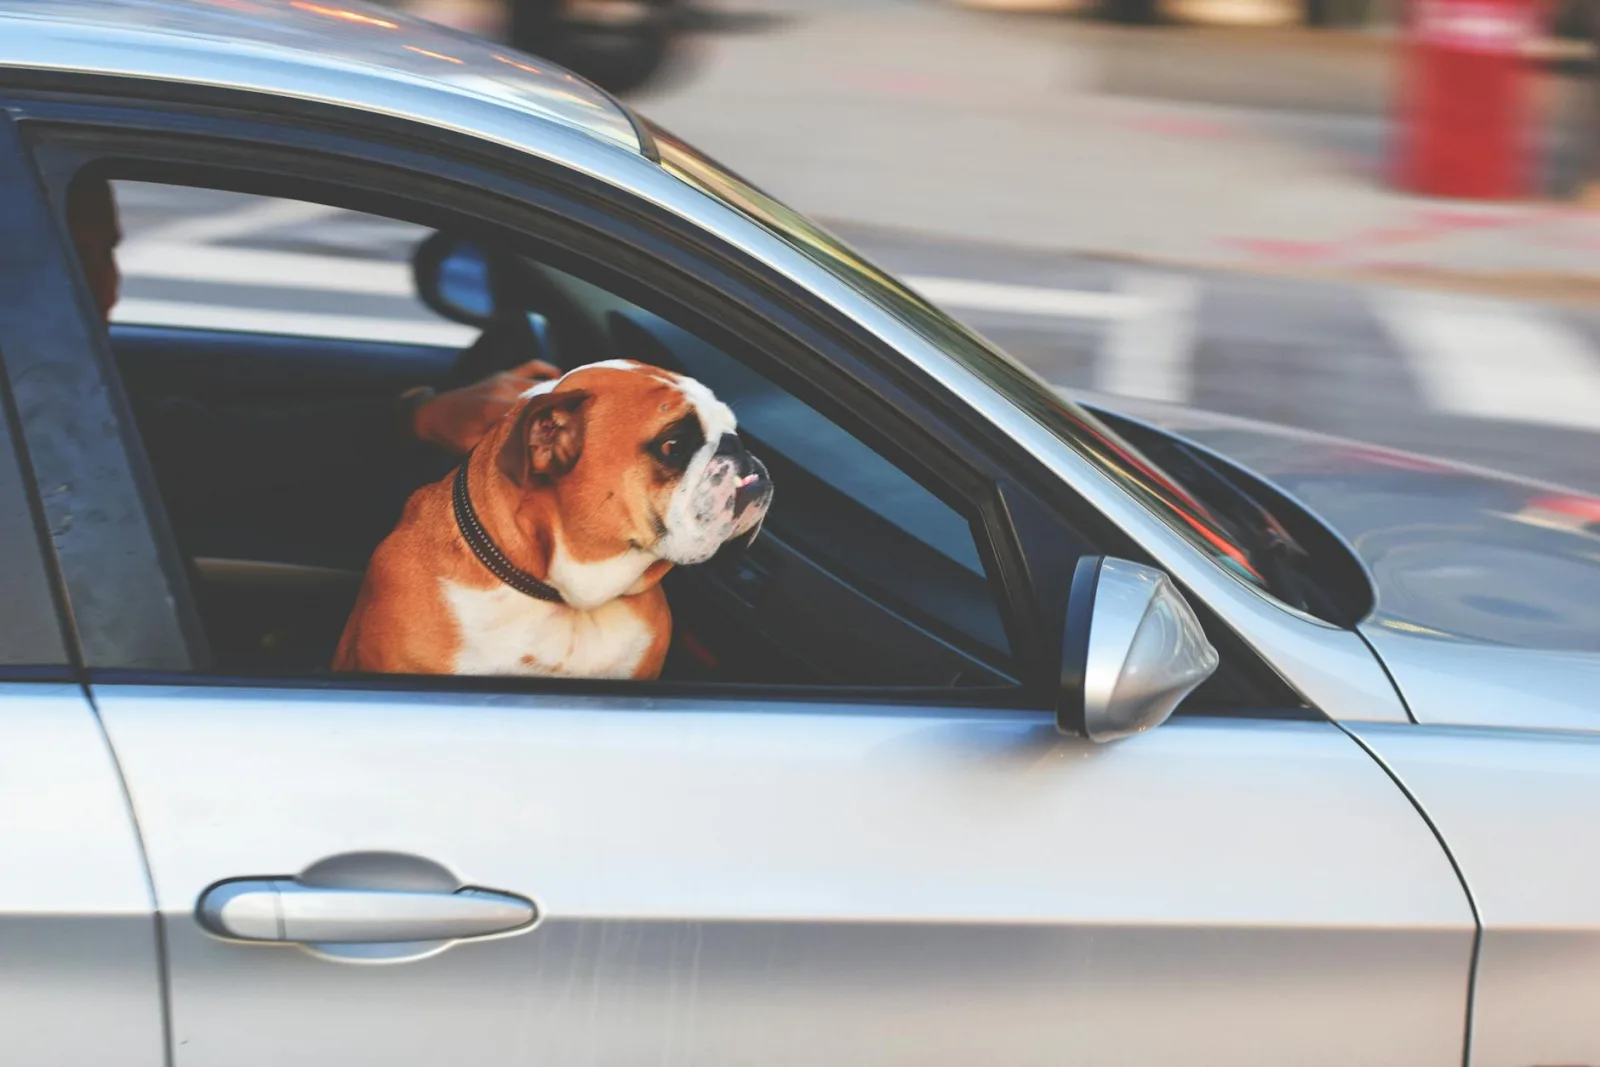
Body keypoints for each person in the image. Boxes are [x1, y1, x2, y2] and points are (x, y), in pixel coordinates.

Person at [65, 175, 562, 565]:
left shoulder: (59, 385)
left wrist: (417, 416)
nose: (107, 286)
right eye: (74, 257)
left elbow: (190, 439)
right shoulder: (42, 400)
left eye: (108, 252)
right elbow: (201, 454)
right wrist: (417, 420)